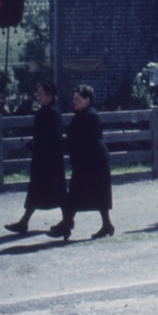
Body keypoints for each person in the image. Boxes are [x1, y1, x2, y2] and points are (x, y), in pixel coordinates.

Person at [48, 85, 113, 240]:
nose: (74, 102)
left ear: (87, 100)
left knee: (93, 194)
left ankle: (68, 224)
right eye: (73, 99)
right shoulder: (80, 114)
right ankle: (72, 224)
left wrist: (65, 143)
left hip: (94, 162)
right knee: (79, 194)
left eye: (77, 98)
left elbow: (83, 139)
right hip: (85, 161)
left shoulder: (90, 116)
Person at [5, 80, 67, 234]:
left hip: (50, 160)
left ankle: (67, 221)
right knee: (37, 191)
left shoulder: (53, 112)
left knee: (58, 193)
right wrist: (35, 143)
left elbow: (52, 137)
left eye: (41, 93)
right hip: (42, 158)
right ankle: (24, 222)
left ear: (49, 94)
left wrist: (37, 144)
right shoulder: (46, 111)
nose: (38, 96)